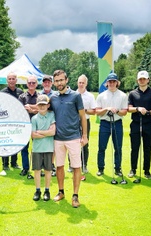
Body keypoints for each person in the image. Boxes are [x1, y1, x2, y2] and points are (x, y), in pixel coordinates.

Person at [49, 69, 88, 208]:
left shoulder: (76, 96)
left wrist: (84, 135)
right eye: (57, 80)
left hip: (73, 137)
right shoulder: (52, 97)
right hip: (58, 138)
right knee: (59, 166)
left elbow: (83, 117)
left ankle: (75, 196)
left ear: (66, 80)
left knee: (76, 167)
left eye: (61, 80)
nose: (59, 83)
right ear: (54, 82)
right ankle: (61, 192)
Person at [127, 71, 151, 179]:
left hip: (149, 124)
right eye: (140, 79)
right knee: (135, 148)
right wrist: (138, 109)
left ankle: (147, 171)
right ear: (137, 80)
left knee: (147, 148)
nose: (142, 81)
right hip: (136, 124)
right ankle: (133, 169)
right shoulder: (132, 93)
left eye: (144, 79)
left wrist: (149, 112)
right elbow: (129, 108)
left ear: (148, 80)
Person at [95, 73, 128, 177]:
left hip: (117, 123)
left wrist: (116, 110)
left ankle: (118, 169)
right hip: (104, 123)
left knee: (118, 147)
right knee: (101, 147)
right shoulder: (101, 96)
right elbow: (97, 112)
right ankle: (100, 168)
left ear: (117, 83)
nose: (112, 83)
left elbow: (124, 112)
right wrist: (107, 109)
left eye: (114, 81)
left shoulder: (123, 95)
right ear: (107, 83)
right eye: (110, 81)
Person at [31, 94, 56, 201]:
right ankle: (37, 190)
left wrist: (40, 132)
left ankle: (47, 190)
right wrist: (47, 132)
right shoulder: (34, 118)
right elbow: (33, 135)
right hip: (37, 148)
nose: (42, 107)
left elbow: (53, 132)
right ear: (37, 106)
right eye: (40, 105)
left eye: (44, 105)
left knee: (47, 170)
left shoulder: (51, 115)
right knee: (37, 170)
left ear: (48, 105)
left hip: (49, 148)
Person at [0, 72, 23, 170]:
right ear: (7, 80)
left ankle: (14, 163)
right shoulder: (3, 92)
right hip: (5, 121)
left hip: (16, 121)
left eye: (13, 78)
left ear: (16, 80)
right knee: (5, 142)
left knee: (15, 142)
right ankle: (5, 164)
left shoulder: (20, 92)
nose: (11, 80)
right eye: (9, 79)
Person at [18, 75, 39, 176]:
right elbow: (19, 110)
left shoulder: (40, 96)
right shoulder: (22, 96)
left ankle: (37, 168)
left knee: (37, 148)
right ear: (27, 84)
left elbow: (42, 110)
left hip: (37, 125)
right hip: (25, 125)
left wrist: (31, 110)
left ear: (36, 84)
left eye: (33, 83)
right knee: (24, 148)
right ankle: (25, 168)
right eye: (29, 83)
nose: (31, 84)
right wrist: (35, 109)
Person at [76, 74, 96, 174]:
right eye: (79, 82)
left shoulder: (90, 96)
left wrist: (84, 111)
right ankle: (72, 165)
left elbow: (94, 111)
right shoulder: (72, 94)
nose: (81, 84)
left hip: (86, 122)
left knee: (84, 143)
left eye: (83, 83)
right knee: (73, 143)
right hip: (74, 122)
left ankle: (84, 165)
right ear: (77, 83)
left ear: (86, 84)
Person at [40, 74, 57, 176]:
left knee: (52, 146)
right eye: (45, 82)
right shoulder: (39, 94)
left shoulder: (55, 95)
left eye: (48, 82)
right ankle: (42, 165)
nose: (47, 84)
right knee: (42, 145)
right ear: (43, 83)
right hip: (42, 122)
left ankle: (50, 164)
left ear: (51, 83)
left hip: (53, 121)